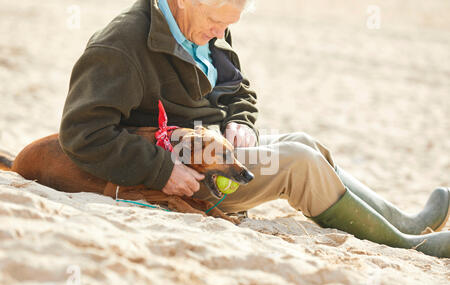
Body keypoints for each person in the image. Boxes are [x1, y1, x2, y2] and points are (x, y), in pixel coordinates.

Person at [59, 0, 449, 258]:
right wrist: (161, 171)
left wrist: (239, 122)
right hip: (188, 177)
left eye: (228, 23)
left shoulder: (203, 22)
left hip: (216, 146)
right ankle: (406, 246)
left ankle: (402, 222)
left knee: (303, 142)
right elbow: (82, 133)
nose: (220, 32)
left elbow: (238, 89)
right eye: (216, 21)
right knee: (298, 162)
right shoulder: (119, 47)